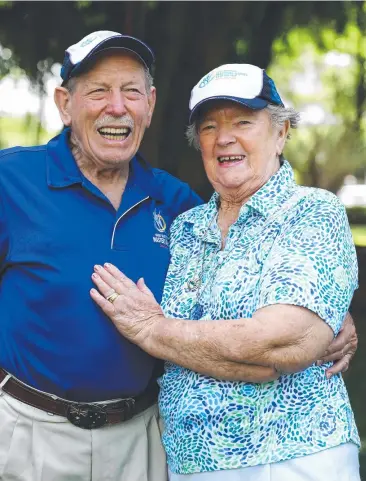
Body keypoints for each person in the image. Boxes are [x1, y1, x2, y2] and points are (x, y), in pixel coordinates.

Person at [90, 63, 361, 481]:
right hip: (187, 460)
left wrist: (154, 331)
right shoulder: (184, 226)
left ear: (281, 133)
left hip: (290, 458)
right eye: (209, 126)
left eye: (243, 122)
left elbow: (278, 345)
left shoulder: (311, 211)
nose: (225, 138)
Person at [0, 30, 204, 481]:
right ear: (65, 104)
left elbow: (246, 273)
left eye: (131, 92)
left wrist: (328, 316)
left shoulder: (176, 201)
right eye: (98, 91)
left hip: (139, 439)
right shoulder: (11, 179)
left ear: (150, 105)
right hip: (28, 436)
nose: (117, 107)